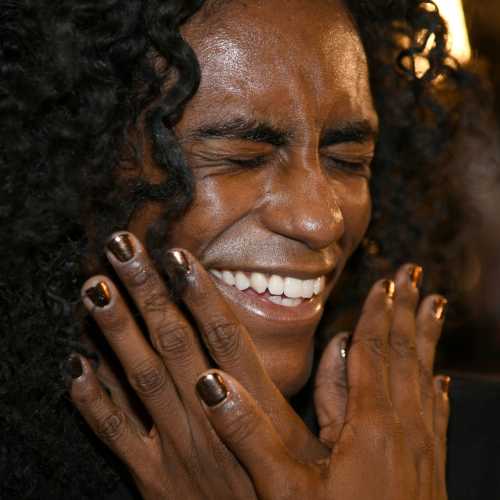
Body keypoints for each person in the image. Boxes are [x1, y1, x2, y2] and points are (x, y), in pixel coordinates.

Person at [1, 0, 499, 498]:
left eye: (349, 160)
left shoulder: (476, 451)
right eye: (241, 157)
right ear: (66, 171)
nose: (321, 220)